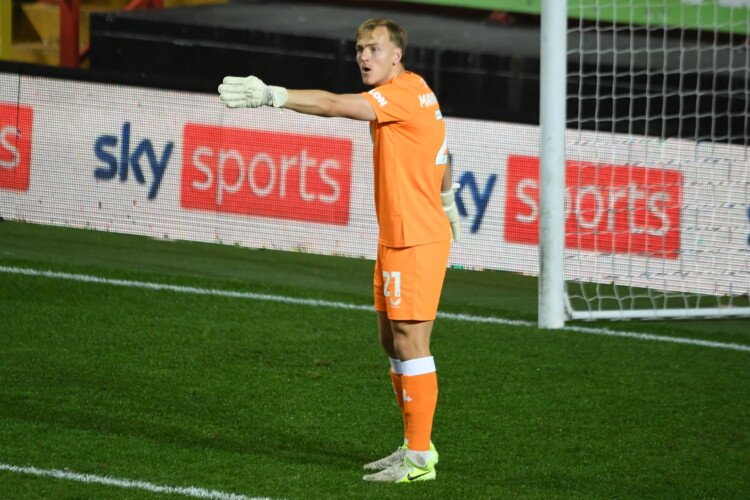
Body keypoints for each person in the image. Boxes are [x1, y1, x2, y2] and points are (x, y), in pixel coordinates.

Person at [218, 17, 460, 483]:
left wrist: (273, 95)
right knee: (390, 341)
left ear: (397, 55)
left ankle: (419, 461)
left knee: (412, 342)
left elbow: (331, 106)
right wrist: (448, 199)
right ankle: (415, 444)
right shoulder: (418, 89)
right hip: (397, 236)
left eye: (373, 49)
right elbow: (444, 151)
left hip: (416, 240)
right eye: (359, 49)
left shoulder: (399, 96)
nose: (364, 57)